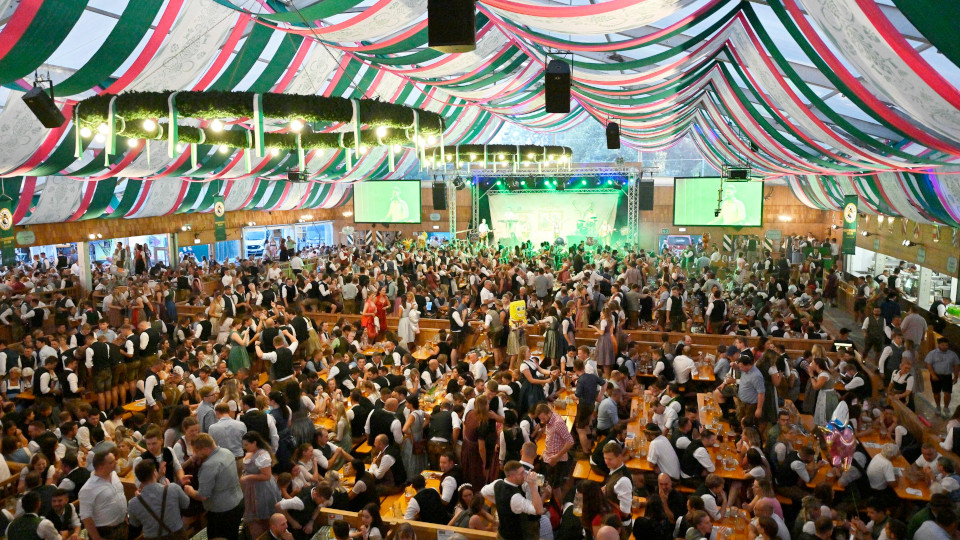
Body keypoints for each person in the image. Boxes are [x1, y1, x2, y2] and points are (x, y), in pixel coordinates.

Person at [183, 434, 245, 540]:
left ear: (206, 449)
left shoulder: (209, 465)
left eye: (196, 451)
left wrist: (190, 490)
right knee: (233, 535)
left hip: (222, 511)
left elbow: (203, 496)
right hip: (238, 503)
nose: (195, 455)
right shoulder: (227, 452)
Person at [480, 461, 545, 540]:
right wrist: (533, 486)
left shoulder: (497, 483)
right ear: (512, 476)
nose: (525, 475)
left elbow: (483, 491)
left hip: (501, 534)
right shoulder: (515, 498)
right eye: (521, 473)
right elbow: (539, 510)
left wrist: (499, 501)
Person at [127, 460, 190, 540]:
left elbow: (135, 523)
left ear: (139, 478)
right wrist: (169, 489)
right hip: (177, 535)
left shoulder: (133, 503)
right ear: (155, 473)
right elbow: (186, 504)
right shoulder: (173, 488)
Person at [78, 451, 128, 540]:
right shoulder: (88, 489)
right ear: (101, 466)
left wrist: (124, 515)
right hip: (106, 531)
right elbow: (86, 517)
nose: (116, 462)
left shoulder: (114, 475)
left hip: (122, 526)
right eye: (112, 462)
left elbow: (120, 495)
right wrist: (96, 538)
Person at [242, 431, 283, 538]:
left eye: (246, 445)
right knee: (254, 517)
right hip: (252, 488)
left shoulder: (262, 455)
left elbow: (266, 476)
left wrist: (248, 477)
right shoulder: (250, 454)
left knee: (265, 515)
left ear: (254, 443)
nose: (244, 447)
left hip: (263, 488)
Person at [925, 338, 960, 416]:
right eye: (943, 345)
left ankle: (946, 407)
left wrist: (956, 377)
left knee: (947, 393)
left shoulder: (952, 354)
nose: (945, 347)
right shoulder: (932, 353)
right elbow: (928, 364)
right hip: (936, 375)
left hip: (947, 376)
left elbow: (956, 365)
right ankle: (938, 407)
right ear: (939, 345)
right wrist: (933, 374)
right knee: (936, 392)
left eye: (946, 345)